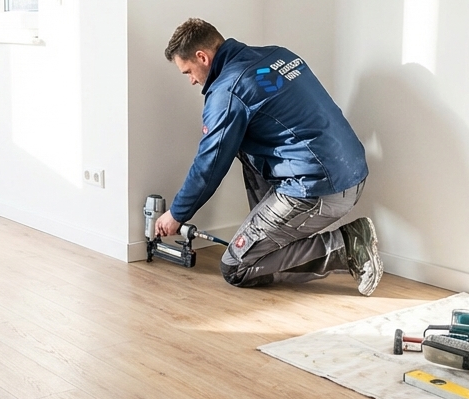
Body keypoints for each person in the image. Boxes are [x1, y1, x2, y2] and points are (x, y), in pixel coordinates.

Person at [153, 18, 382, 294]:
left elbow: (209, 164)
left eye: (188, 71)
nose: (191, 80)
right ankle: (267, 237)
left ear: (202, 57)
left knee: (236, 267)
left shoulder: (228, 91)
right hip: (350, 171)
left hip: (317, 189)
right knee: (240, 140)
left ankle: (346, 246)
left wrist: (177, 214)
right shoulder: (278, 55)